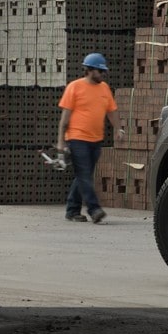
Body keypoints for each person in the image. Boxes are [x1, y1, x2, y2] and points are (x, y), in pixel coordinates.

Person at [57, 53, 117, 223]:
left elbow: (111, 111)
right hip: (77, 138)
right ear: (90, 70)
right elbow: (64, 118)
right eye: (100, 71)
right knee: (84, 174)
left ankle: (72, 210)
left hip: (96, 139)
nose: (103, 74)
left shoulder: (104, 88)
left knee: (84, 175)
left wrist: (119, 129)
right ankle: (94, 209)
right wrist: (61, 142)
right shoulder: (74, 87)